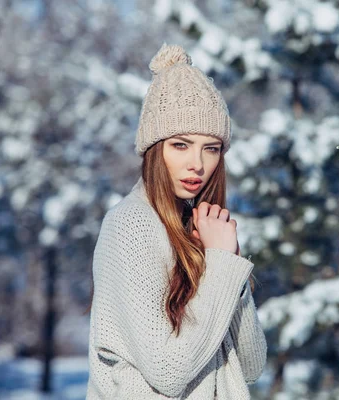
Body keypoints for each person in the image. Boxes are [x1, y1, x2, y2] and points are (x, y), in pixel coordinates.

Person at [85, 43, 267, 399]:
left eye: (211, 148)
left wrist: (227, 266)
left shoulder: (199, 228)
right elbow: (167, 372)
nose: (197, 163)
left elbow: (251, 366)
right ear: (155, 149)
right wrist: (220, 264)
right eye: (181, 145)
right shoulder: (131, 225)